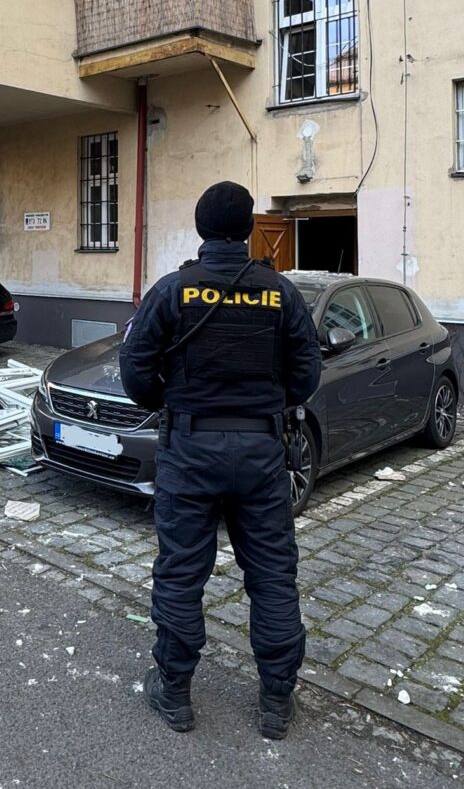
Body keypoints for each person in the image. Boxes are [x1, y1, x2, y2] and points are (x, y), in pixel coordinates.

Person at [119, 181, 321, 739]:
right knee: (273, 574)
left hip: (190, 451)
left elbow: (135, 370)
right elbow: (306, 376)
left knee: (182, 572)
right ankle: (277, 701)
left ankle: (175, 693)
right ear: (250, 227)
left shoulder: (173, 290)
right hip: (261, 452)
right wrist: (266, 404)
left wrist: (173, 403)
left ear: (202, 229)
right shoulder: (281, 294)